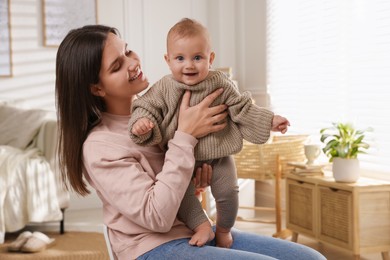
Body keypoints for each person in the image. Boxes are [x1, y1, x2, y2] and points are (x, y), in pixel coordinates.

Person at [55, 24, 326, 260]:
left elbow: (177, 183)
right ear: (97, 88)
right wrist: (186, 135)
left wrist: (198, 180)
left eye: (127, 51)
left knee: (311, 257)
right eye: (117, 66)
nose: (132, 62)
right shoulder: (101, 146)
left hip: (194, 229)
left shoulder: (163, 109)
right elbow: (157, 216)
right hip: (152, 248)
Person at [128, 18, 290, 248]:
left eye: (197, 57)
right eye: (180, 58)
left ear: (210, 59)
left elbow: (241, 106)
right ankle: (202, 225)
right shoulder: (164, 87)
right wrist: (142, 122)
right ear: (168, 60)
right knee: (181, 198)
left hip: (219, 155)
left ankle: (223, 229)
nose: (189, 65)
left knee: (229, 193)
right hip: (182, 160)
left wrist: (269, 120)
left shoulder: (219, 82)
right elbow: (146, 106)